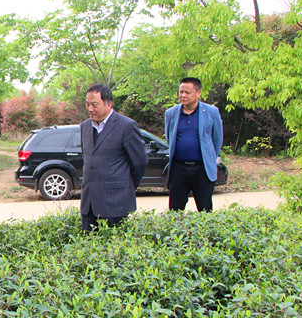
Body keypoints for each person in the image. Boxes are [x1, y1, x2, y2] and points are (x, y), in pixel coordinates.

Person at [79, 84, 148, 232]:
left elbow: (140, 163)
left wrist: (125, 186)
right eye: (87, 104)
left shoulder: (126, 126)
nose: (90, 109)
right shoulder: (85, 126)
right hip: (89, 204)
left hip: (115, 203)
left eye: (94, 105)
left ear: (109, 104)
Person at [164, 77, 224, 212]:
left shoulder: (212, 112)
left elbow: (217, 140)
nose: (183, 95)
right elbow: (169, 138)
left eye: (187, 92)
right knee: (175, 210)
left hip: (202, 169)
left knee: (205, 210)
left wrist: (209, 158)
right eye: (181, 92)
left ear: (198, 93)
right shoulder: (171, 113)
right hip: (178, 169)